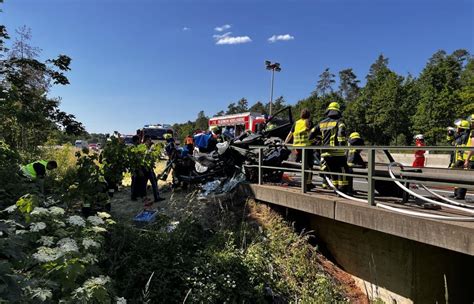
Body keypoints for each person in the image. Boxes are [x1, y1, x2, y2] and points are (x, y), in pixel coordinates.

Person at [311, 102, 353, 194]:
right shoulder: (340, 123)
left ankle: (336, 190)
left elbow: (311, 134)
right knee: (343, 171)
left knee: (333, 172)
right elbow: (341, 135)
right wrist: (343, 146)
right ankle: (342, 190)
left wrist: (318, 142)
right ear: (337, 112)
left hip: (325, 153)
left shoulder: (321, 123)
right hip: (337, 153)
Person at [285, 108, 314, 191]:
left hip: (297, 147)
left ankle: (305, 183)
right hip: (306, 147)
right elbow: (312, 133)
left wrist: (285, 143)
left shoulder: (296, 123)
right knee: (309, 165)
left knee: (303, 165)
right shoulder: (308, 122)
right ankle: (308, 183)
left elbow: (290, 134)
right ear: (309, 115)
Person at [450, 119, 471, 200]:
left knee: (460, 176)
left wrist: (462, 159)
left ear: (461, 128)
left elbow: (460, 147)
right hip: (457, 158)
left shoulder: (464, 136)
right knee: (456, 176)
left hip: (461, 159)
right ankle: (456, 193)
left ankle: (459, 195)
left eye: (458, 127)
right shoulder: (460, 135)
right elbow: (451, 142)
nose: (456, 128)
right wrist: (450, 134)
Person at [143, 135, 165, 202]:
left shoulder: (146, 147)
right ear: (146, 140)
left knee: (145, 183)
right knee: (154, 182)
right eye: (149, 140)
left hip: (146, 168)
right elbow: (146, 156)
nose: (150, 141)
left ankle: (145, 198)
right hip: (148, 168)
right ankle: (156, 197)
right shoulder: (144, 147)